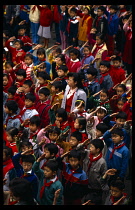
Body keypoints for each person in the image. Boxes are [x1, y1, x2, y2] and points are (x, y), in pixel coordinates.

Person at [83, 139, 108, 205]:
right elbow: (77, 149)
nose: (90, 148)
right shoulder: (87, 154)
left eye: (92, 147)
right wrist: (83, 144)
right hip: (86, 184)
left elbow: (104, 176)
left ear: (98, 149)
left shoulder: (102, 162)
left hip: (96, 188)